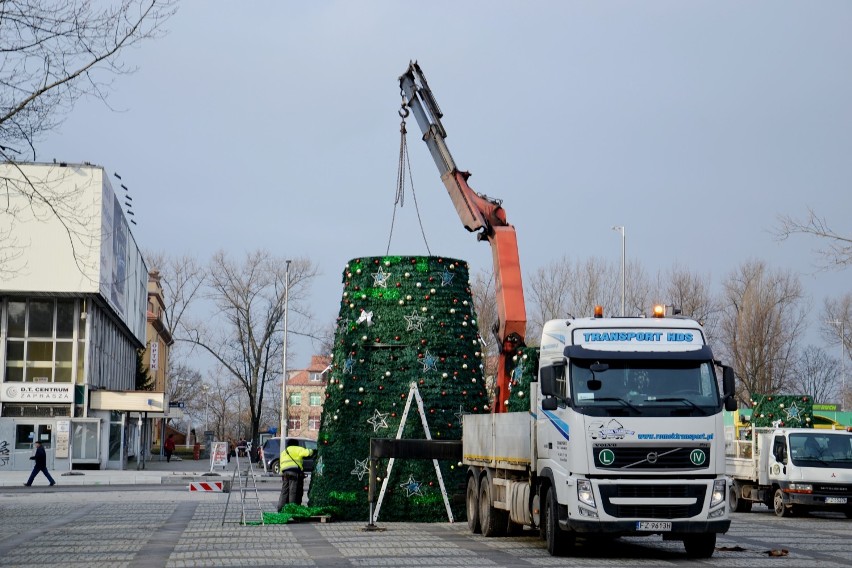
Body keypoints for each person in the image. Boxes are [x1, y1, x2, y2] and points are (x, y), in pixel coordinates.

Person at [277, 439, 315, 511]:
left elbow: (281, 464)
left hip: (285, 473)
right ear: (296, 444)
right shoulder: (297, 449)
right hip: (293, 472)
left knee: (284, 491)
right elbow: (307, 453)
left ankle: (280, 508)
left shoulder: (284, 452)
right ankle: (292, 509)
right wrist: (312, 450)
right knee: (293, 491)